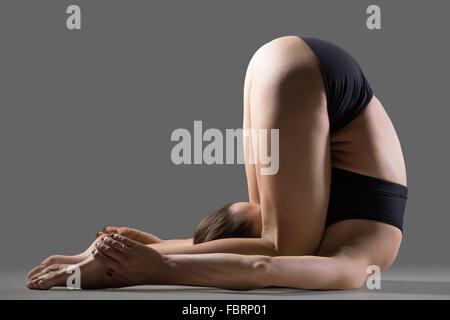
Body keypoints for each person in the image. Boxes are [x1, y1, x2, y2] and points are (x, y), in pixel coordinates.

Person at [27, 35, 408, 290]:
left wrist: (132, 259)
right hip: (293, 71)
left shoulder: (324, 238)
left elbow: (261, 257)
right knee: (286, 245)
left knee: (285, 242)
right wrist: (146, 264)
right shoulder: (354, 259)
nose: (259, 210)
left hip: (291, 73)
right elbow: (264, 266)